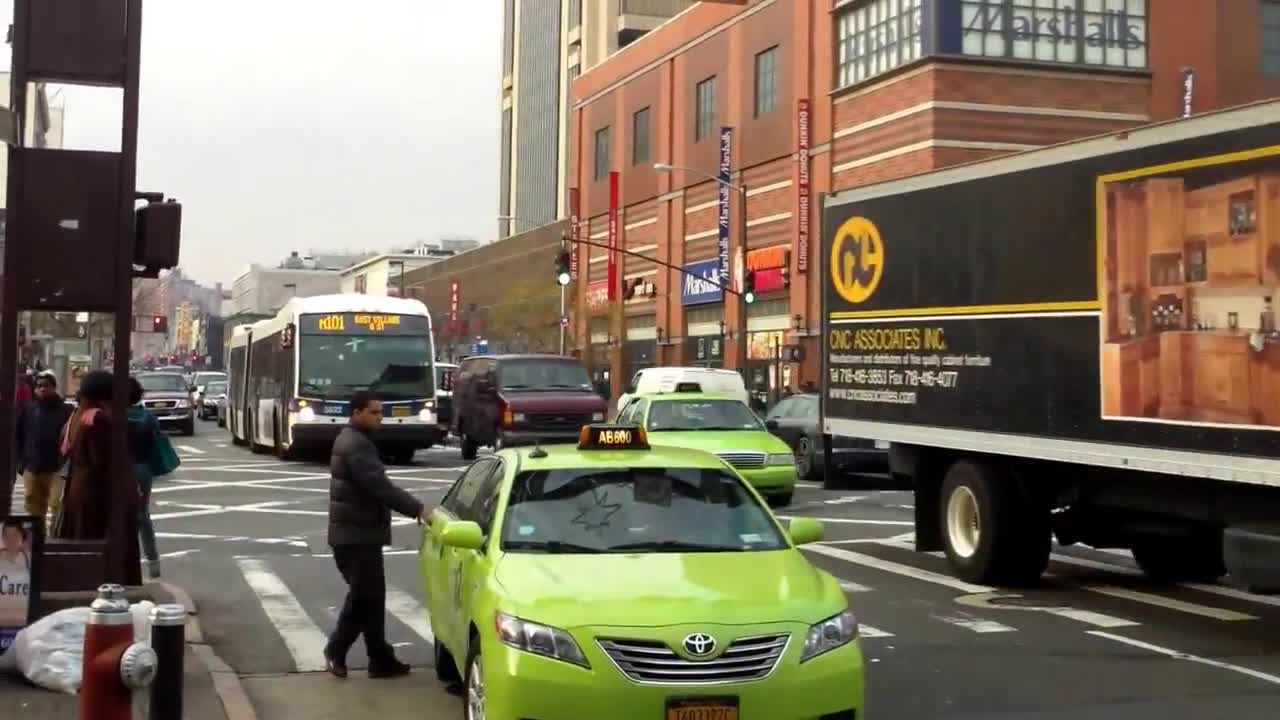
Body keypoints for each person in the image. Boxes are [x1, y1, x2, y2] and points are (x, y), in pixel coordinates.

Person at [324, 391, 427, 679]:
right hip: (355, 536)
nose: (380, 418)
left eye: (381, 412)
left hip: (361, 534)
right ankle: (336, 650)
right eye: (374, 412)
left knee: (371, 598)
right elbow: (379, 486)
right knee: (363, 597)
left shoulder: (357, 440)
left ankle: (380, 659)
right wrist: (418, 509)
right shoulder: (356, 444)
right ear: (357, 412)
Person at [57, 370, 117, 540]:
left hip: (77, 485)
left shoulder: (78, 413)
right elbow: (101, 460)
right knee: (93, 544)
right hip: (94, 492)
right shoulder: (97, 418)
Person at [15, 372, 72, 527]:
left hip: (56, 468)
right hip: (32, 467)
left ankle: (52, 539)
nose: (41, 389)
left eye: (45, 386)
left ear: (54, 388)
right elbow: (18, 436)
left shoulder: (66, 410)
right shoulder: (29, 409)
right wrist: (21, 463)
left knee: (55, 506)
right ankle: (38, 540)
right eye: (39, 386)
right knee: (33, 507)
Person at [127, 378, 162, 579]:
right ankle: (153, 561)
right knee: (142, 516)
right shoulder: (148, 417)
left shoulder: (113, 416)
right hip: (142, 470)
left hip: (121, 469)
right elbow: (156, 442)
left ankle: (123, 559)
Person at [0, 519, 31, 628]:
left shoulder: (30, 559)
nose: (11, 540)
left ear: (21, 537)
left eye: (15, 535)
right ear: (3, 538)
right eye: (7, 536)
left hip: (23, 624)